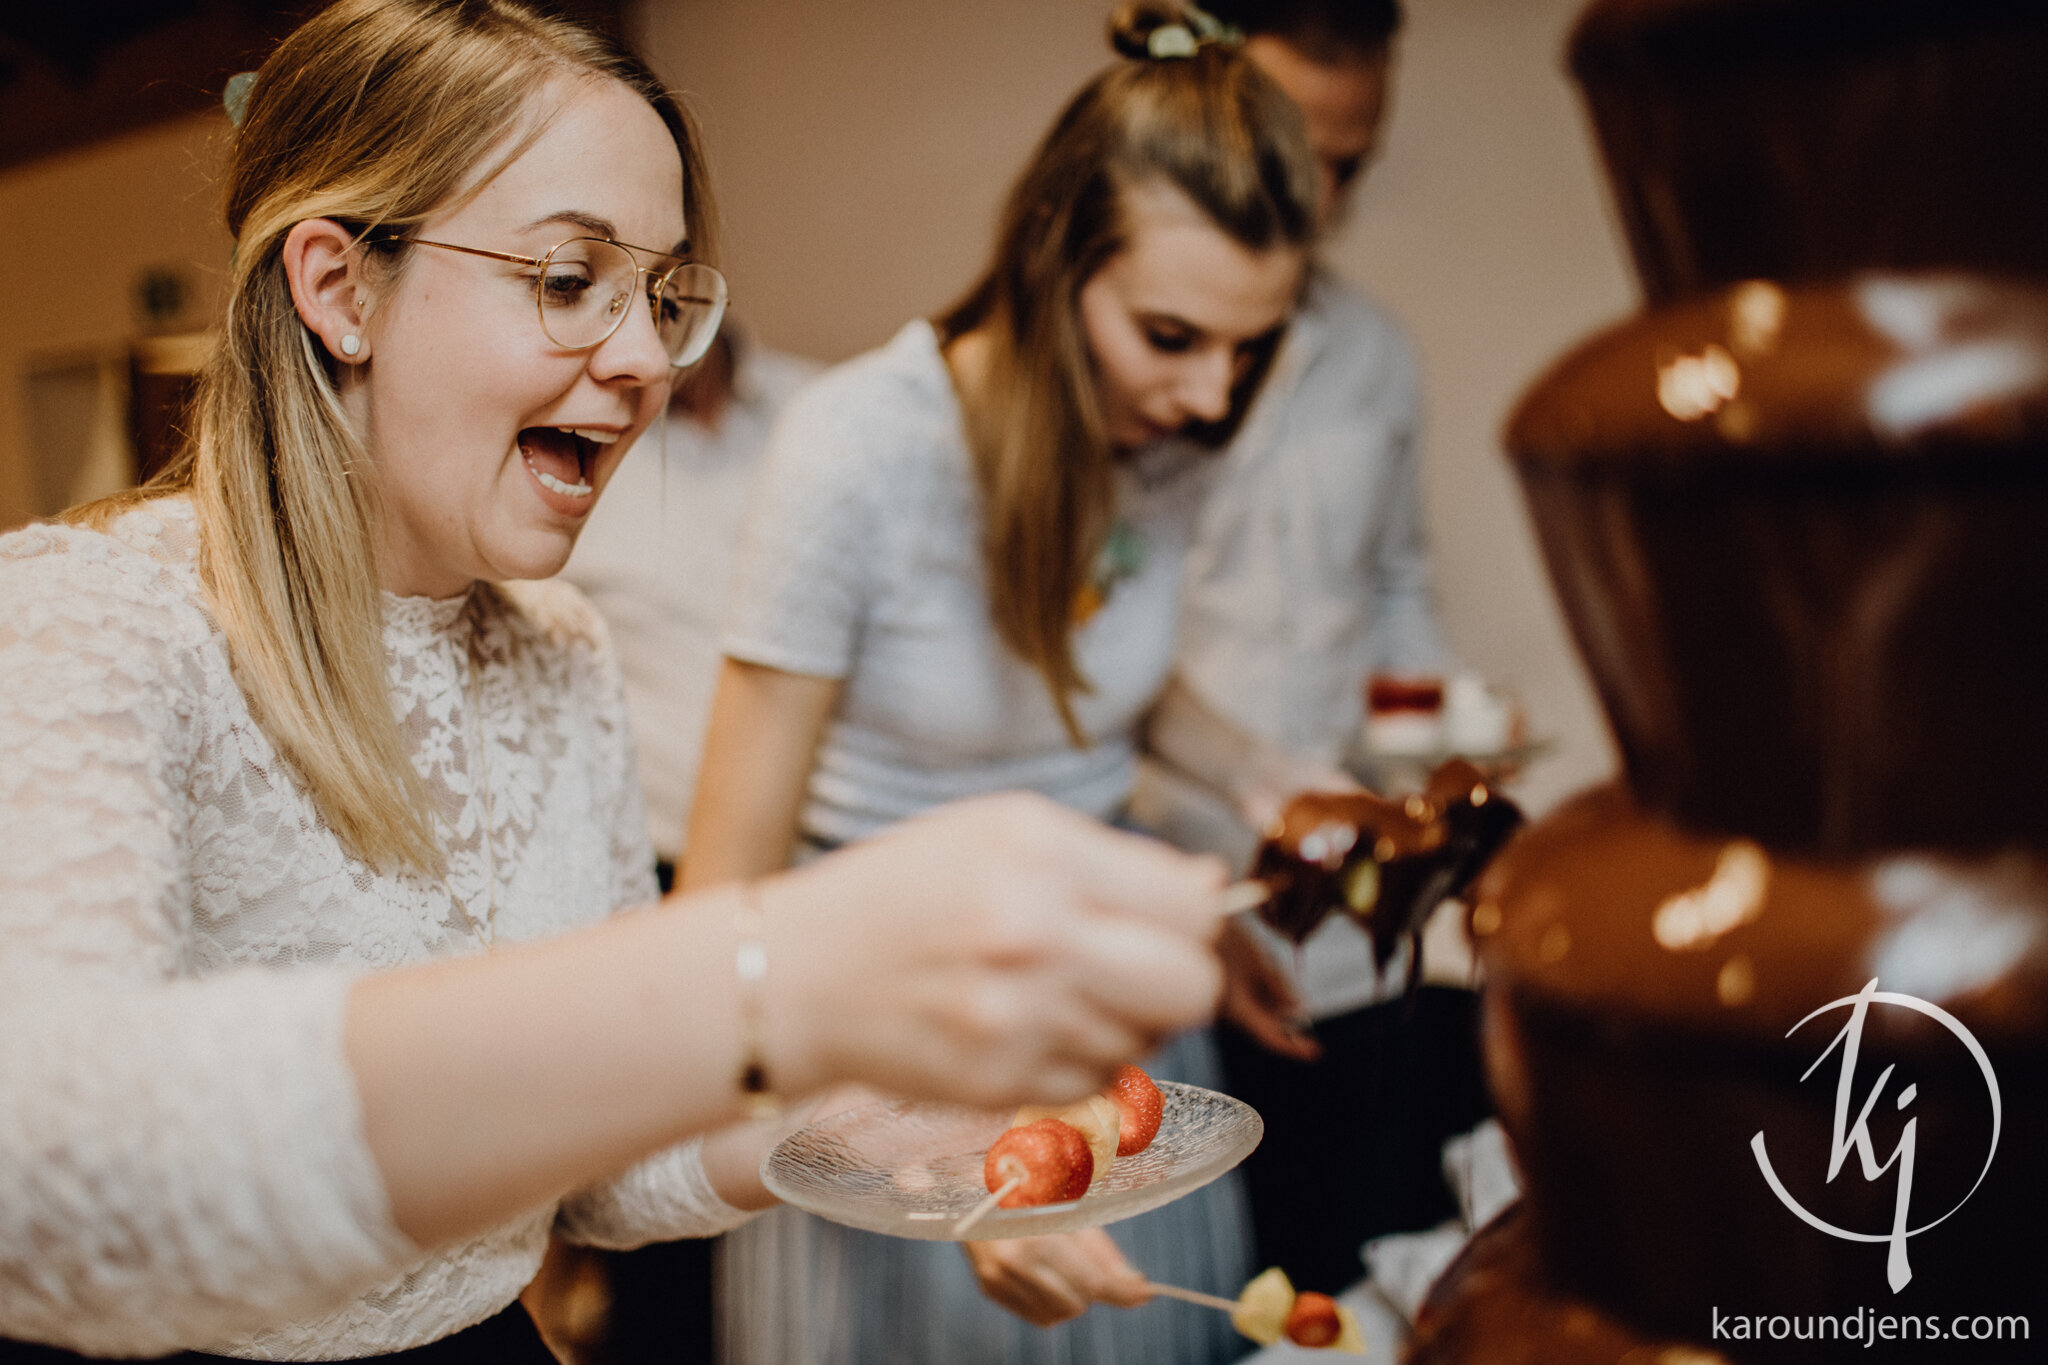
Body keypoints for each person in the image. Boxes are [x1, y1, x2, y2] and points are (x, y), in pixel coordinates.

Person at [0, 2, 1233, 1359]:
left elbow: (598, 1178)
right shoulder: (85, 620)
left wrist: (912, 1140)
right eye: (569, 276)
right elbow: (47, 1173)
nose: (645, 358)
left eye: (662, 293)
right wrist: (764, 974)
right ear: (341, 287)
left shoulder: (559, 648)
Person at [681, 5, 1340, 1362]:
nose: (1215, 397)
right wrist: (927, 1162)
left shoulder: (1161, 435)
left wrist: (1263, 777)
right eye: (1172, 334)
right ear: (1054, 259)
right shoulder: (856, 450)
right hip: (885, 1032)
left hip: (1106, 1027)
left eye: (1251, 348)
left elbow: (1094, 682)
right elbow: (721, 906)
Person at [1157, 0, 1495, 1297]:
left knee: (1344, 1267)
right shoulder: (1131, 344)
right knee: (1199, 1278)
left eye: (1357, 159)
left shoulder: (1375, 354)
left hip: (1355, 901)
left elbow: (1395, 588)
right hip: (1179, 891)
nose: (1328, 190)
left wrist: (1448, 752)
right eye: (1306, 148)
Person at [544, 328, 819, 1361]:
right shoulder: (578, 454)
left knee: (789, 1198)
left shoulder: (814, 412)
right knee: (654, 1182)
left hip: (809, 867)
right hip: (658, 861)